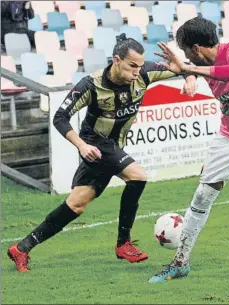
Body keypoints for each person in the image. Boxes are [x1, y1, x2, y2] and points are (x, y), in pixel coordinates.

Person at [7, 34, 196, 272]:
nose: (138, 71)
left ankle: (21, 248)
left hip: (110, 148)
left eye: (140, 66)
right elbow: (59, 117)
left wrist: (189, 77)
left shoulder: (145, 73)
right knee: (138, 175)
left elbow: (183, 69)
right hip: (95, 144)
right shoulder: (91, 85)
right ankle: (123, 243)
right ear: (117, 60)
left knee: (76, 205)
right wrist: (81, 145)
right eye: (132, 66)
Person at [148, 17, 229, 283]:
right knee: (201, 197)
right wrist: (188, 74)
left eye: (186, 53)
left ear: (196, 48)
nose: (186, 57)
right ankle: (180, 262)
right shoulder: (201, 62)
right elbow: (195, 68)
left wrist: (189, 68)